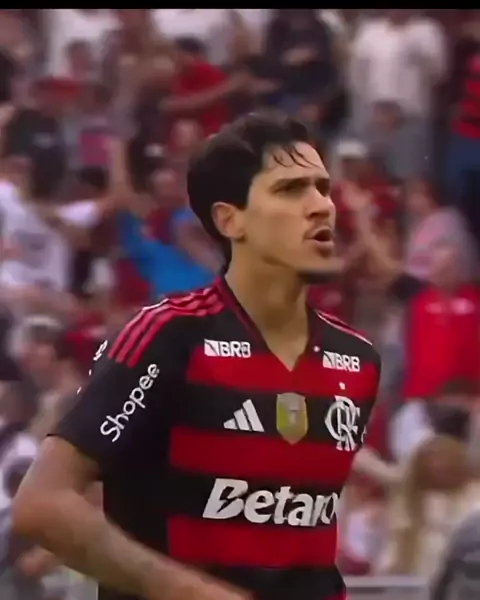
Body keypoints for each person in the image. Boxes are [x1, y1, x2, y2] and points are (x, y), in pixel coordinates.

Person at [11, 113, 381, 600]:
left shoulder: (357, 360)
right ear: (231, 220)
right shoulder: (168, 334)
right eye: (292, 190)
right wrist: (196, 594)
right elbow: (42, 503)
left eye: (322, 188)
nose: (321, 206)